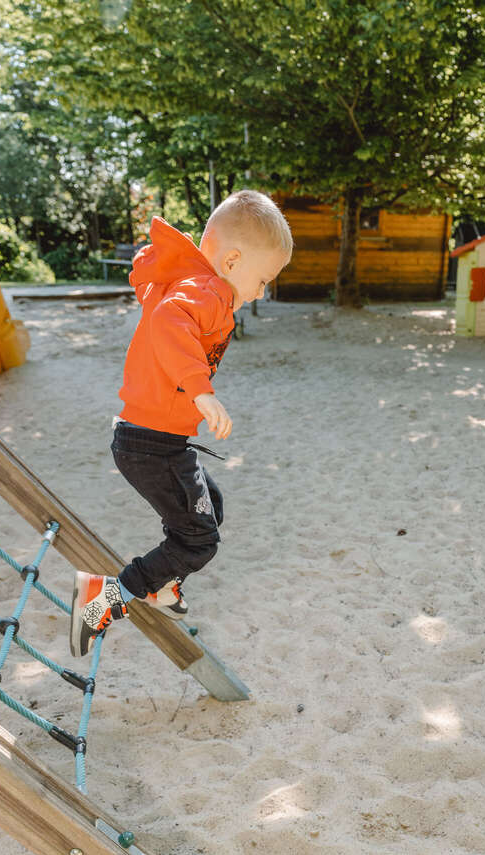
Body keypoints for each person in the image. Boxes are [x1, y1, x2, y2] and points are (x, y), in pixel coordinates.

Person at [69, 190, 292, 657]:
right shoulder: (208, 290)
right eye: (264, 279)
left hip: (149, 440)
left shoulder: (196, 282)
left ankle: (163, 586)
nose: (263, 291)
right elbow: (170, 321)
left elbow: (164, 309)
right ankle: (105, 599)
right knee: (199, 541)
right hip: (153, 446)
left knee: (211, 502)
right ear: (232, 261)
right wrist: (200, 389)